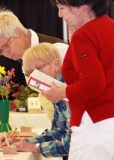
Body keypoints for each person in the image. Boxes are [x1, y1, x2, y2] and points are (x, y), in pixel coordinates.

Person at [42, 0, 114, 159]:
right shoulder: (110, 27)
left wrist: (62, 92)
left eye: (62, 8)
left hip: (95, 125)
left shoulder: (84, 35)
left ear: (80, 8)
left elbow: (93, 83)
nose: (59, 15)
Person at [0, 10, 68, 121]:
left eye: (6, 46)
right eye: (0, 51)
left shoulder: (59, 50)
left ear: (18, 32)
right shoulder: (24, 58)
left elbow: (84, 91)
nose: (6, 54)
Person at [0, 43, 71, 160]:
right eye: (30, 73)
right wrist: (23, 142)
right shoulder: (55, 87)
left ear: (56, 64)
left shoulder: (68, 88)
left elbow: (71, 142)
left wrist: (34, 147)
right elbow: (58, 132)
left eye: (38, 69)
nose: (35, 77)